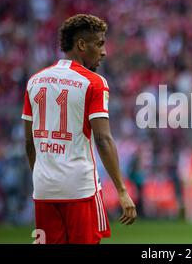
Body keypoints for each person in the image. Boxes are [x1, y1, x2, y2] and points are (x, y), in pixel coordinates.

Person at [22, 14, 136, 244]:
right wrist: (122, 191)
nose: (104, 52)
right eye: (100, 43)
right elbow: (103, 139)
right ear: (81, 45)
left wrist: (43, 176)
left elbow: (29, 142)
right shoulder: (94, 82)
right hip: (79, 189)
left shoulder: (35, 81)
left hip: (44, 189)